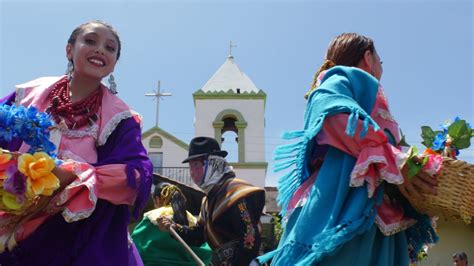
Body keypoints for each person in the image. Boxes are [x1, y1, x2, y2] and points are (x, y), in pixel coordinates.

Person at [258, 33, 439, 265]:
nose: (381, 68)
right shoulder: (340, 79)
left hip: (378, 212)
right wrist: (395, 160)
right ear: (367, 58)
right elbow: (334, 119)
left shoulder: (365, 93)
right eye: (380, 61)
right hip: (343, 207)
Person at [0, 20, 152, 265]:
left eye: (110, 48)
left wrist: (75, 175)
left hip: (77, 230)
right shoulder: (29, 95)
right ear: (69, 50)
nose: (100, 50)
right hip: (14, 217)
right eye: (90, 41)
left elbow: (136, 175)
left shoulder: (120, 118)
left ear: (113, 63)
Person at [157, 136, 266, 265]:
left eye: (196, 165)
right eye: (190, 167)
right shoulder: (207, 202)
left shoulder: (236, 191)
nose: (192, 173)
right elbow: (199, 236)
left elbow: (250, 238)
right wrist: (174, 227)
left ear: (213, 164)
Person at [132, 182, 212, 265]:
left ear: (157, 199)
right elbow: (205, 248)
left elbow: (136, 245)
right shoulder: (192, 219)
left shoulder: (154, 216)